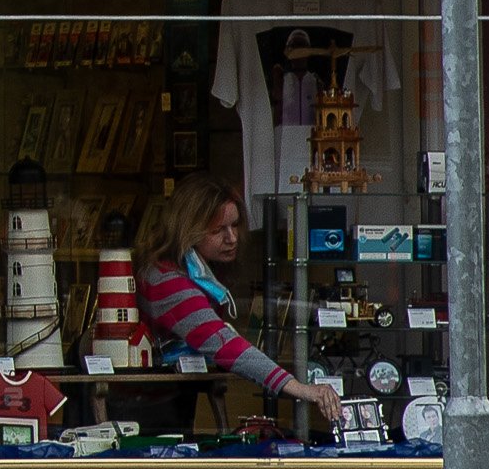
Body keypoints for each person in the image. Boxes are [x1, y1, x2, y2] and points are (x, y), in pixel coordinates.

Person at [133, 173, 342, 417]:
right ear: (188, 230)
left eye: (234, 225)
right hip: (141, 403)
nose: (232, 238)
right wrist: (299, 388)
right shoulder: (166, 280)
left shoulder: (191, 270)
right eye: (218, 230)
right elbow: (220, 341)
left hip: (163, 396)